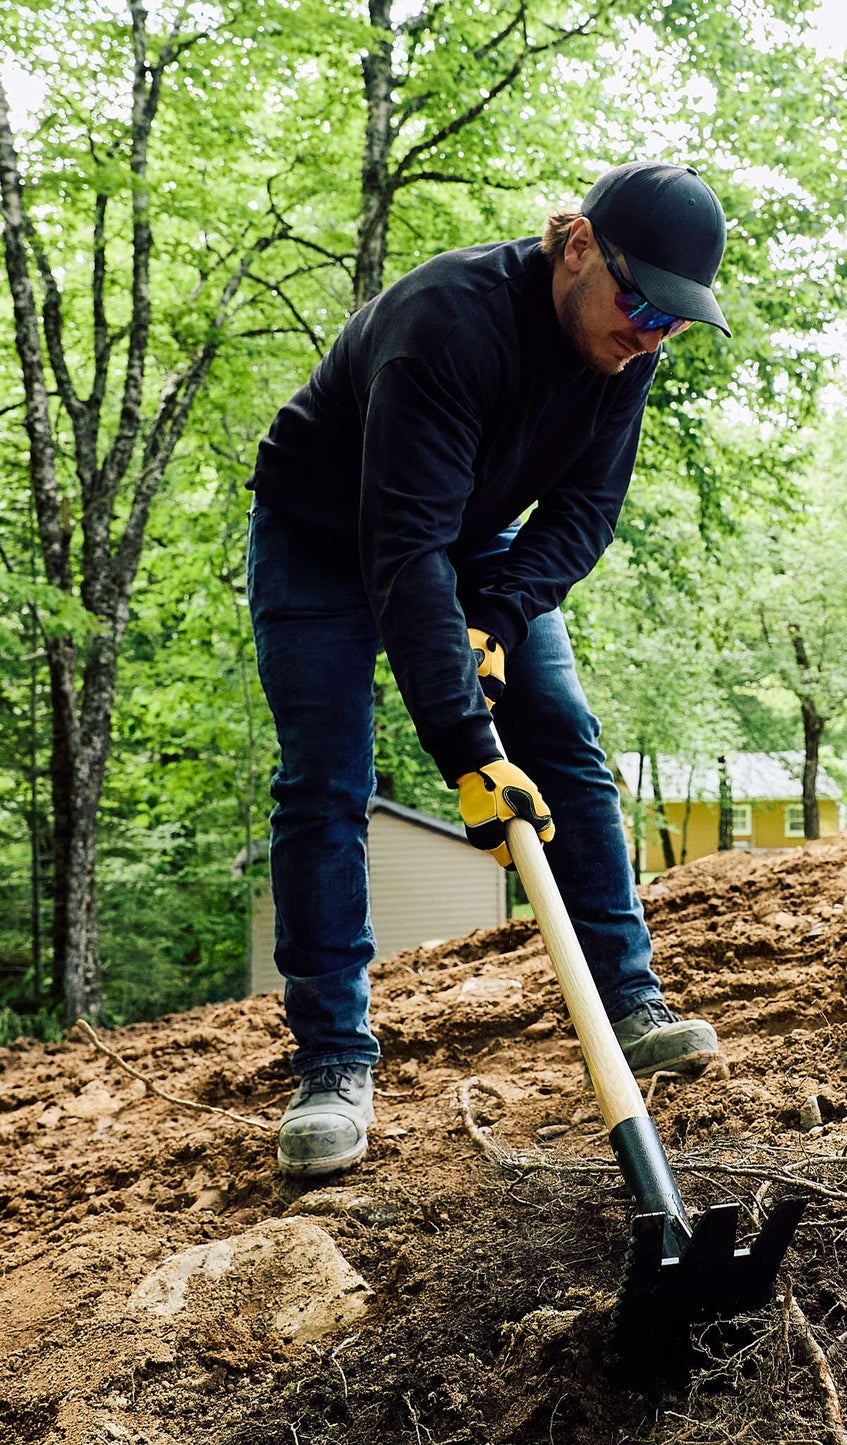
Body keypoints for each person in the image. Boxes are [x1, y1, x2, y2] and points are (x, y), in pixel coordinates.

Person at [246, 162, 729, 1176]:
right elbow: (400, 551)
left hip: (465, 539)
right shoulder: (448, 323)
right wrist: (466, 745)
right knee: (327, 781)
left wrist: (501, 614)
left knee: (563, 737)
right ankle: (334, 1060)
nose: (649, 332)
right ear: (579, 244)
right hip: (325, 533)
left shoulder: (628, 355)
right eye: (639, 301)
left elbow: (584, 513)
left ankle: (628, 993)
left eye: (674, 321)